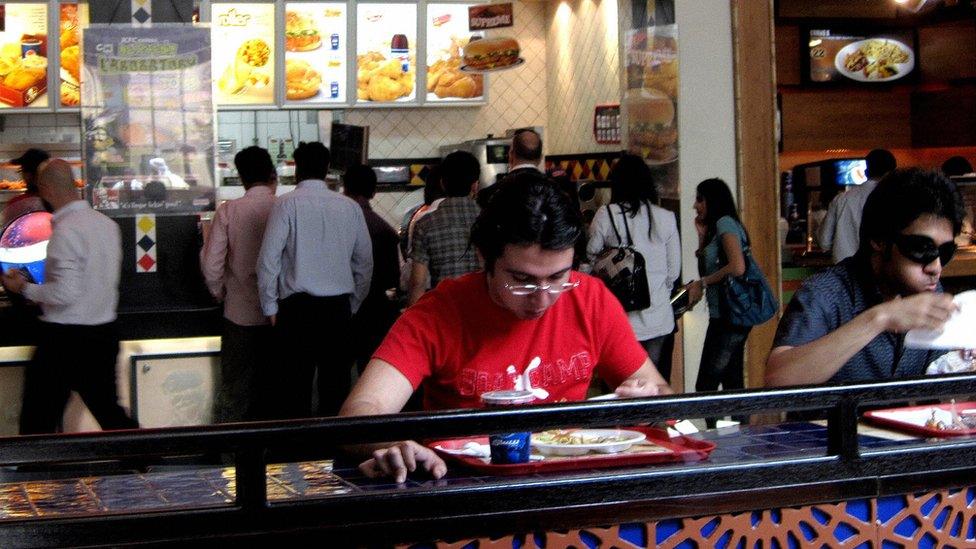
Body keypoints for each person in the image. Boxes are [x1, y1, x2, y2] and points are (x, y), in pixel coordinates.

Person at [339, 172, 672, 482]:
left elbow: (662, 397)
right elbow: (358, 416)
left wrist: (645, 403)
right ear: (485, 258)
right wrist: (396, 445)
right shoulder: (438, 314)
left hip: (565, 482)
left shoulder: (591, 300)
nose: (542, 299)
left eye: (558, 278)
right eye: (522, 281)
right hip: (465, 487)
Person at [766, 168, 965, 387]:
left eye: (945, 252)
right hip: (829, 423)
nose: (935, 267)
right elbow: (778, 378)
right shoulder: (826, 293)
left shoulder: (930, 294)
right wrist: (880, 318)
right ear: (879, 240)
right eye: (921, 248)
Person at [1, 159, 138, 434]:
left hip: (65, 339)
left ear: (47, 189)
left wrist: (23, 288)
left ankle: (34, 472)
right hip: (104, 333)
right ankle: (144, 458)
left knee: (38, 414)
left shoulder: (65, 230)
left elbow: (65, 292)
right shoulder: (106, 225)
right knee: (110, 412)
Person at [257, 142, 373, 418]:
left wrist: (270, 307)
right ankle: (334, 454)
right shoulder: (349, 207)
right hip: (338, 309)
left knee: (294, 388)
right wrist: (352, 303)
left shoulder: (286, 204)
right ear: (326, 169)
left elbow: (268, 260)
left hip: (296, 310)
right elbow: (364, 263)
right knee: (336, 387)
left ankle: (297, 455)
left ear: (296, 168)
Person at [200, 146, 277, 423]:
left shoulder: (229, 211)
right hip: (279, 320)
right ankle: (275, 459)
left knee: (235, 393)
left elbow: (211, 266)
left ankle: (231, 460)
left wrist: (219, 292)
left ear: (241, 178)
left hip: (239, 317)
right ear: (273, 174)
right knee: (274, 391)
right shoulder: (284, 206)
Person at [586, 154, 680, 381]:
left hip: (619, 320)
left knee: (623, 391)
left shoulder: (606, 215)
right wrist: (657, 293)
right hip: (659, 318)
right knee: (654, 388)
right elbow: (673, 272)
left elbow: (590, 259)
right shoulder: (665, 217)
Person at [686, 178, 753, 403]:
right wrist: (702, 236)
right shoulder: (721, 226)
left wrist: (703, 283)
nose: (695, 205)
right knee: (732, 383)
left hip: (729, 316)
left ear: (712, 200)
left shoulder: (725, 223)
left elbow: (737, 266)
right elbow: (708, 265)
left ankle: (715, 435)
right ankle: (737, 434)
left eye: (700, 199)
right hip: (729, 314)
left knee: (706, 385)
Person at [343, 164, 401, 372]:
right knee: (368, 371)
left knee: (336, 375)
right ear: (374, 191)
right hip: (376, 311)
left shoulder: (336, 223)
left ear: (344, 187)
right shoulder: (384, 229)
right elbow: (394, 278)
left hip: (341, 308)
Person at [407, 150, 482, 305]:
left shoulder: (425, 224)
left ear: (443, 184)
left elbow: (417, 284)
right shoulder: (492, 221)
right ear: (475, 186)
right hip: (483, 311)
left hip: (444, 311)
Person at [819, 149, 897, 263]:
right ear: (891, 173)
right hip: (880, 272)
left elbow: (824, 241)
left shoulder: (841, 199)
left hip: (844, 271)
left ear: (865, 172)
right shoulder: (895, 200)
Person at [2, 148, 50, 227]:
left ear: (28, 175)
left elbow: (7, 233)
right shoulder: (58, 202)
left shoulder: (16, 204)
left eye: (21, 171)